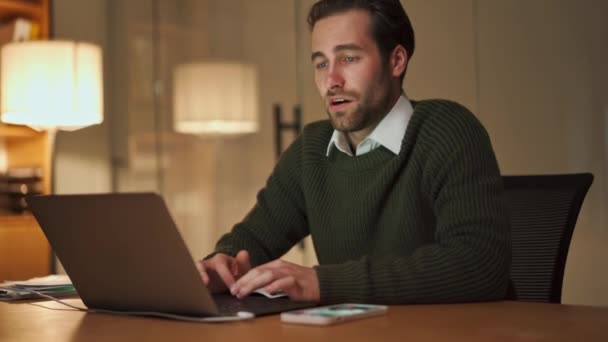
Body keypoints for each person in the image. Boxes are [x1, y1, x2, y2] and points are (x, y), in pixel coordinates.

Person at [198, 0, 510, 304]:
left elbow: (480, 264)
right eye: (321, 63)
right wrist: (221, 266)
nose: (330, 81)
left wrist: (323, 283)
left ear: (397, 60)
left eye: (348, 59)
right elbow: (252, 240)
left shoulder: (447, 129)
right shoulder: (312, 149)